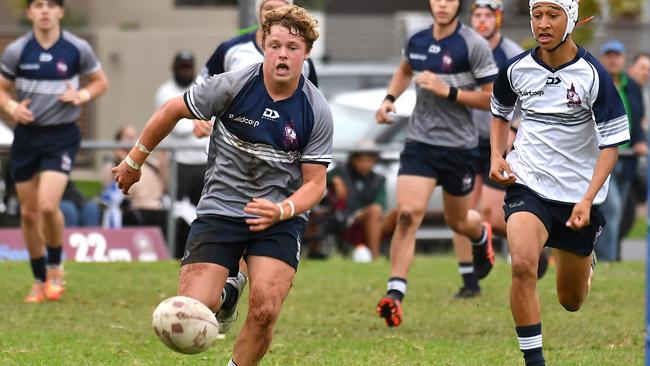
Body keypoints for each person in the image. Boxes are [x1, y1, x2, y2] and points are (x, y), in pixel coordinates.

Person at [113, 6, 330, 366]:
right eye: (274, 45)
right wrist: (135, 161)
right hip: (221, 208)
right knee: (194, 308)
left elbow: (315, 184)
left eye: (292, 47)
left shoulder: (315, 109)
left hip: (277, 217)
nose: (282, 54)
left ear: (305, 52)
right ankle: (227, 296)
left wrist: (282, 209)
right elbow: (171, 110)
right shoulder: (232, 85)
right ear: (263, 44)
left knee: (265, 309)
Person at [489, 0, 629, 364]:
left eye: (553, 15)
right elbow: (499, 112)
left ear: (571, 20)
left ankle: (587, 260)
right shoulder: (516, 69)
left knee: (571, 301)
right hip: (529, 182)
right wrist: (496, 154)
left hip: (578, 197)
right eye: (537, 15)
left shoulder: (592, 74)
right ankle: (534, 361)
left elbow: (612, 145)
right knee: (522, 265)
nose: (543, 24)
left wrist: (587, 199)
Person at [374, 0, 498, 326]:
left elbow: (492, 98)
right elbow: (404, 71)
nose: (443, 4)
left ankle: (480, 235)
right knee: (407, 214)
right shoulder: (416, 40)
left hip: (459, 147)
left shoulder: (473, 45)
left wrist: (448, 91)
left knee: (458, 222)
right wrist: (389, 100)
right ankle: (395, 293)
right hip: (420, 143)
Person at [0, 0, 108, 303]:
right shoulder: (17, 50)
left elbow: (101, 82)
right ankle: (38, 280)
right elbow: (2, 88)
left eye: (51, 5)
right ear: (30, 12)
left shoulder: (76, 48)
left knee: (48, 206)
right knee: (29, 212)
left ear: (60, 11)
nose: (45, 11)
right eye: (38, 5)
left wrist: (82, 94)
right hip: (26, 137)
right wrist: (11, 107)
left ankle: (56, 267)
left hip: (61, 136)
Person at [464, 0, 550, 280]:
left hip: (500, 141)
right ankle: (470, 276)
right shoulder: (465, 48)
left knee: (489, 211)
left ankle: (539, 242)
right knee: (467, 214)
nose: (482, 21)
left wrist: (514, 127)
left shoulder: (511, 53)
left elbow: (529, 99)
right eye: (477, 15)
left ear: (498, 19)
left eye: (488, 16)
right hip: (467, 138)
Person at [154, 50, 209, 258]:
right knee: (177, 212)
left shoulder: (202, 87)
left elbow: (211, 117)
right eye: (182, 67)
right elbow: (179, 128)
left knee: (203, 211)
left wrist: (196, 121)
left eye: (189, 67)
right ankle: (176, 253)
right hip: (179, 164)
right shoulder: (165, 92)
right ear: (174, 68)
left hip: (203, 162)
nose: (185, 71)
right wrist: (198, 122)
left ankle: (201, 253)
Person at [596, 40, 646, 261]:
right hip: (603, 157)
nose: (613, 60)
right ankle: (608, 259)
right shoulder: (596, 83)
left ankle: (608, 256)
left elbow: (639, 120)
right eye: (609, 56)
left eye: (617, 56)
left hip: (627, 160)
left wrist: (640, 141)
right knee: (613, 207)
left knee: (618, 211)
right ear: (603, 58)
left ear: (623, 60)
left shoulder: (632, 87)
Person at [102, 126, 169, 237]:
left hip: (158, 208)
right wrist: (125, 159)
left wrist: (163, 164)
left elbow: (165, 186)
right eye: (128, 137)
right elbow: (122, 190)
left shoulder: (151, 163)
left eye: (135, 137)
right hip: (135, 210)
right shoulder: (113, 165)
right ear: (118, 142)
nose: (132, 141)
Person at [328, 144, 386, 260]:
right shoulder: (342, 171)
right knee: (375, 211)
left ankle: (398, 256)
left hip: (372, 217)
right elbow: (319, 178)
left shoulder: (379, 179)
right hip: (348, 217)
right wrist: (335, 180)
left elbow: (381, 204)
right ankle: (375, 257)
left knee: (396, 213)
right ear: (353, 160)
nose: (365, 165)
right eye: (361, 160)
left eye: (369, 161)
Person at [627, 52, 650, 128]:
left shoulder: (645, 93)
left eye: (649, 70)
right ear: (630, 70)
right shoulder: (621, 91)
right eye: (642, 68)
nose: (646, 73)